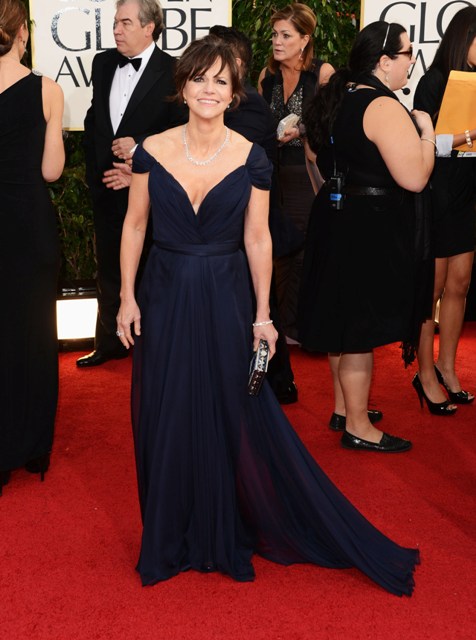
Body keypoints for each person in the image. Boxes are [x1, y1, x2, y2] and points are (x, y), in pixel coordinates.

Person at [116, 35, 420, 596]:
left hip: (225, 295)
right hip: (165, 293)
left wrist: (262, 317)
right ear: (182, 86)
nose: (210, 89)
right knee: (166, 409)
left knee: (225, 407)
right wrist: (126, 297)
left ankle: (219, 526)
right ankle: (170, 530)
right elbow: (135, 224)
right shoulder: (151, 151)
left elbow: (258, 239)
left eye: (221, 81)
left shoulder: (251, 157)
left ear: (234, 93)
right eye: (200, 78)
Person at [298, 22, 435, 452]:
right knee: (357, 331)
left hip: (334, 216)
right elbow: (415, 178)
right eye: (408, 54)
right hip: (367, 226)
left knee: (341, 321)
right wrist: (427, 134)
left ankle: (344, 409)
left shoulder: (339, 93)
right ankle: (359, 426)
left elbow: (314, 154)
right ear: (385, 61)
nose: (411, 62)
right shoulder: (382, 105)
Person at [77, 0, 185, 368]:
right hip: (107, 186)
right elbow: (95, 120)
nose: (116, 30)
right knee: (109, 265)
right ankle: (110, 342)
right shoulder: (103, 63)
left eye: (125, 23)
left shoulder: (174, 70)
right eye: (115, 22)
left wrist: (138, 152)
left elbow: (180, 131)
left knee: (153, 268)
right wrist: (97, 173)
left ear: (149, 28)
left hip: (152, 189)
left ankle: (156, 346)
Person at [209, 24, 298, 404]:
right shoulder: (222, 104)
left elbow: (223, 167)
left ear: (236, 63)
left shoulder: (249, 109)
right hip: (229, 227)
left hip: (248, 227)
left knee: (257, 304)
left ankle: (274, 382)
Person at [0, 0, 65, 493]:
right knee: (35, 332)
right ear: (22, 30)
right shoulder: (47, 88)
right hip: (28, 224)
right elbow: (51, 171)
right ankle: (33, 445)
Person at [412, 6, 476, 414]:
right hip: (437, 194)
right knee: (431, 289)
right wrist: (468, 134)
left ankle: (448, 368)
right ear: (464, 37)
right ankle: (425, 373)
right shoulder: (433, 81)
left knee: (460, 284)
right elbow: (424, 143)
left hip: (468, 194)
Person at [258, 3, 334, 342]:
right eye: (275, 34)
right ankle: (276, 322)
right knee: (276, 246)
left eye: (286, 35)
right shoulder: (267, 76)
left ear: (305, 39)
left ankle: (295, 324)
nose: (277, 41)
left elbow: (332, 121)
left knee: (303, 247)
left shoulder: (322, 73)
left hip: (306, 172)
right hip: (272, 174)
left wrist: (301, 130)